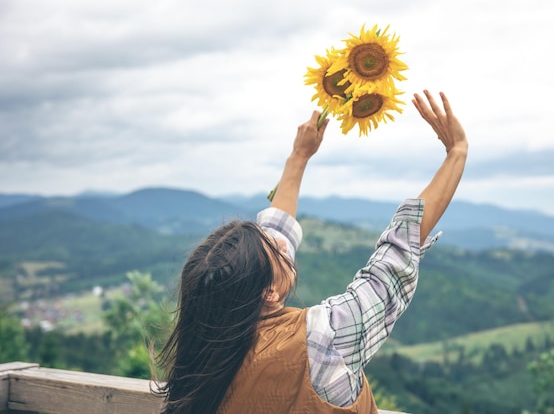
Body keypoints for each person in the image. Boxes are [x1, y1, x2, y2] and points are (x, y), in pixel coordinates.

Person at [153, 90, 468, 414]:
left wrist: (299, 157)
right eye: (275, 249)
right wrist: (456, 153)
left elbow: (277, 228)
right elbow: (393, 261)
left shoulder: (206, 352)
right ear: (268, 293)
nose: (283, 242)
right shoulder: (320, 339)